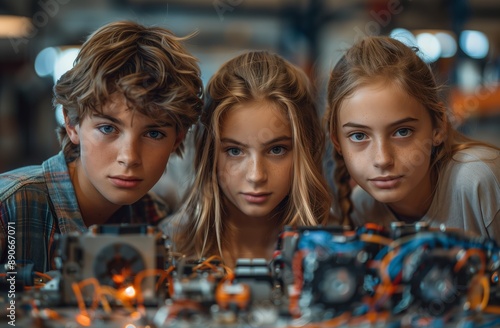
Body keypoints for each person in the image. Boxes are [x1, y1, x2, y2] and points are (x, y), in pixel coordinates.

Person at [0, 20, 203, 272]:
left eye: (153, 133)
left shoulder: (153, 216)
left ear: (178, 139)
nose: (129, 157)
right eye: (108, 128)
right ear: (72, 123)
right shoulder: (8, 208)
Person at [163, 51, 332, 268]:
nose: (256, 176)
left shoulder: (339, 245)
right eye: (235, 151)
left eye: (277, 150)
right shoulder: (167, 247)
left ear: (304, 151)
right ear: (209, 153)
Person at [324, 35, 500, 240]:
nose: (382, 159)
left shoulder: (479, 182)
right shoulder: (363, 207)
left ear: (438, 125)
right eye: (359, 135)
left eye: (402, 132)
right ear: (337, 141)